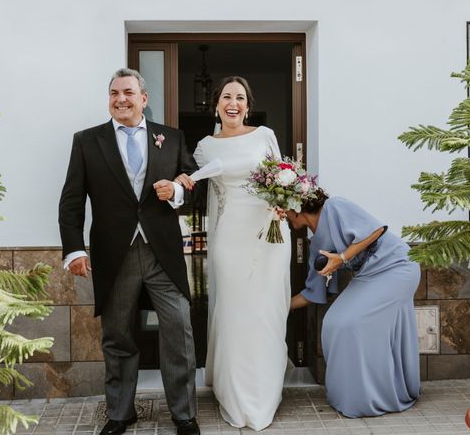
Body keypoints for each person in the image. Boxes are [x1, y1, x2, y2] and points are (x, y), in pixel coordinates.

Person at [58, 68, 199, 435]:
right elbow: (71, 200)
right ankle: (120, 413)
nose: (121, 98)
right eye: (114, 92)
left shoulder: (171, 138)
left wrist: (178, 192)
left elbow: (191, 179)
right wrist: (74, 250)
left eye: (128, 92)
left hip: (162, 253)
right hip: (113, 253)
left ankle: (184, 415)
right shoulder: (88, 141)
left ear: (143, 99)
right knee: (118, 334)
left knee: (179, 328)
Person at [175, 76, 291, 431]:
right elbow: (189, 181)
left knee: (265, 312)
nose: (233, 103)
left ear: (248, 105)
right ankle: (235, 392)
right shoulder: (205, 147)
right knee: (235, 313)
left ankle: (265, 390)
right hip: (229, 238)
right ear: (216, 104)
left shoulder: (264, 135)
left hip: (269, 235)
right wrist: (179, 183)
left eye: (240, 97)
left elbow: (283, 175)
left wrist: (285, 202)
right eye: (227, 96)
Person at [286, 191, 421, 418]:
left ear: (295, 207)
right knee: (333, 323)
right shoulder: (315, 245)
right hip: (368, 277)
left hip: (397, 267)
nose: (284, 217)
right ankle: (349, 394)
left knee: (351, 323)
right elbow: (312, 293)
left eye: (284, 210)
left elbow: (377, 230)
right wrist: (279, 306)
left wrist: (341, 258)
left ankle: (377, 395)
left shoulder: (335, 207)